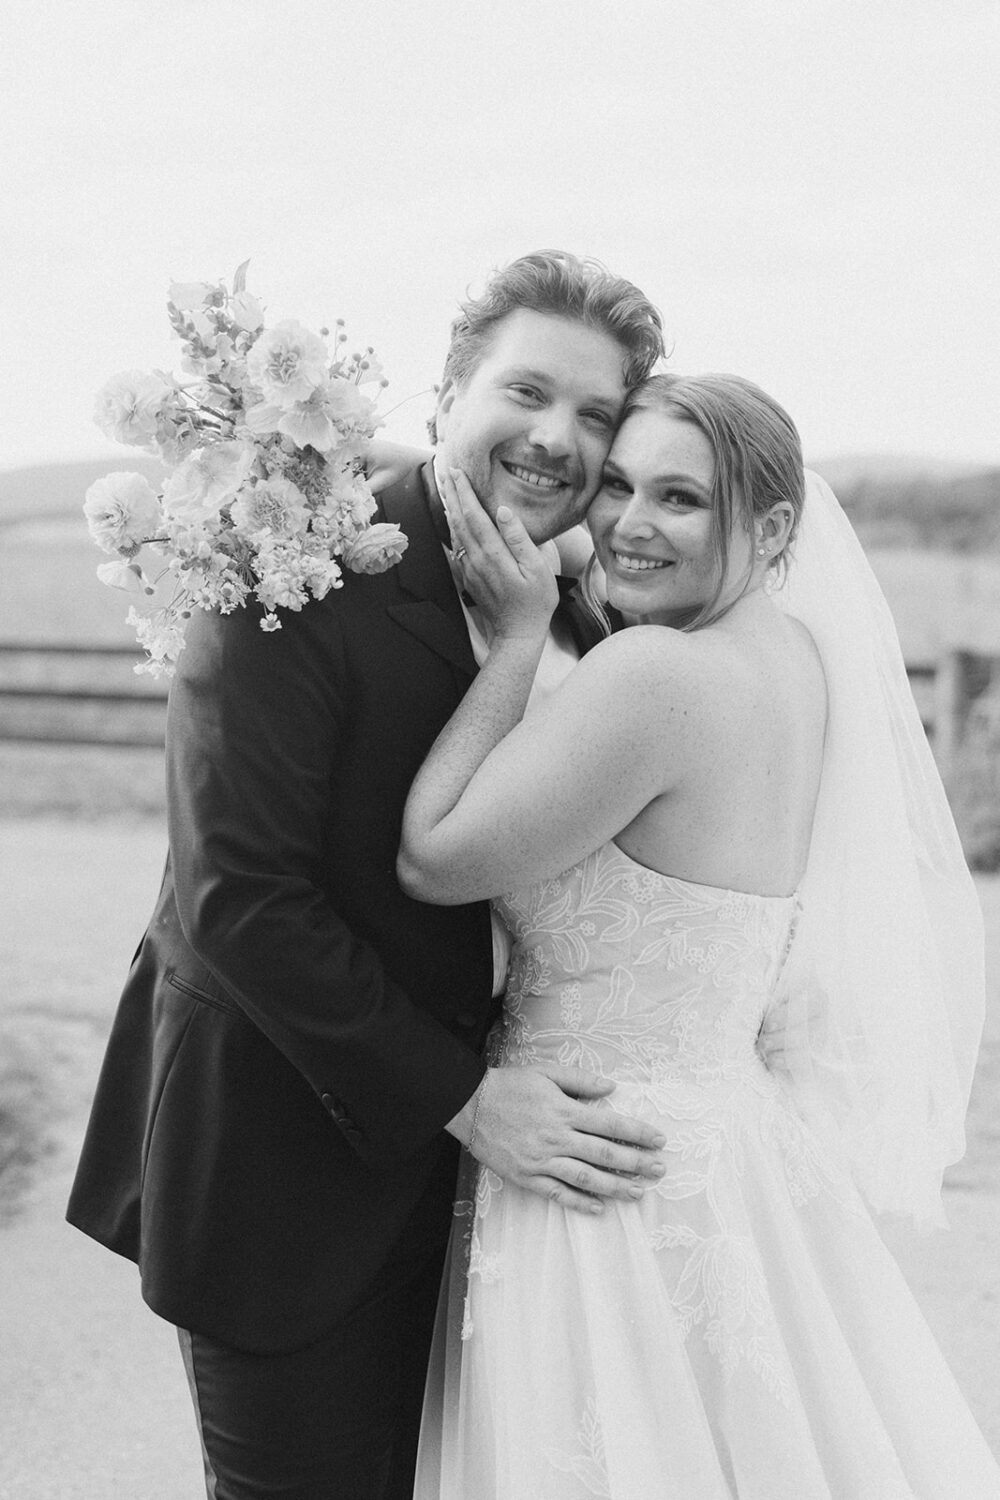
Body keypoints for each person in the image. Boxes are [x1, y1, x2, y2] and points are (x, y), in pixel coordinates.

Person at [65, 251, 667, 1500]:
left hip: (498, 1209)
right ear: (447, 394)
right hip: (288, 1172)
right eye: (527, 392)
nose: (558, 439)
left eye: (596, 415)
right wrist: (466, 1099)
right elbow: (241, 905)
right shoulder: (286, 560)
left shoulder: (585, 611)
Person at [399, 373, 999, 1497]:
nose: (627, 523)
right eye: (618, 484)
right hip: (732, 1150)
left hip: (595, 1174)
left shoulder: (653, 672)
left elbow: (433, 857)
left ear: (770, 526)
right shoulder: (796, 660)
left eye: (680, 499)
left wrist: (522, 637)